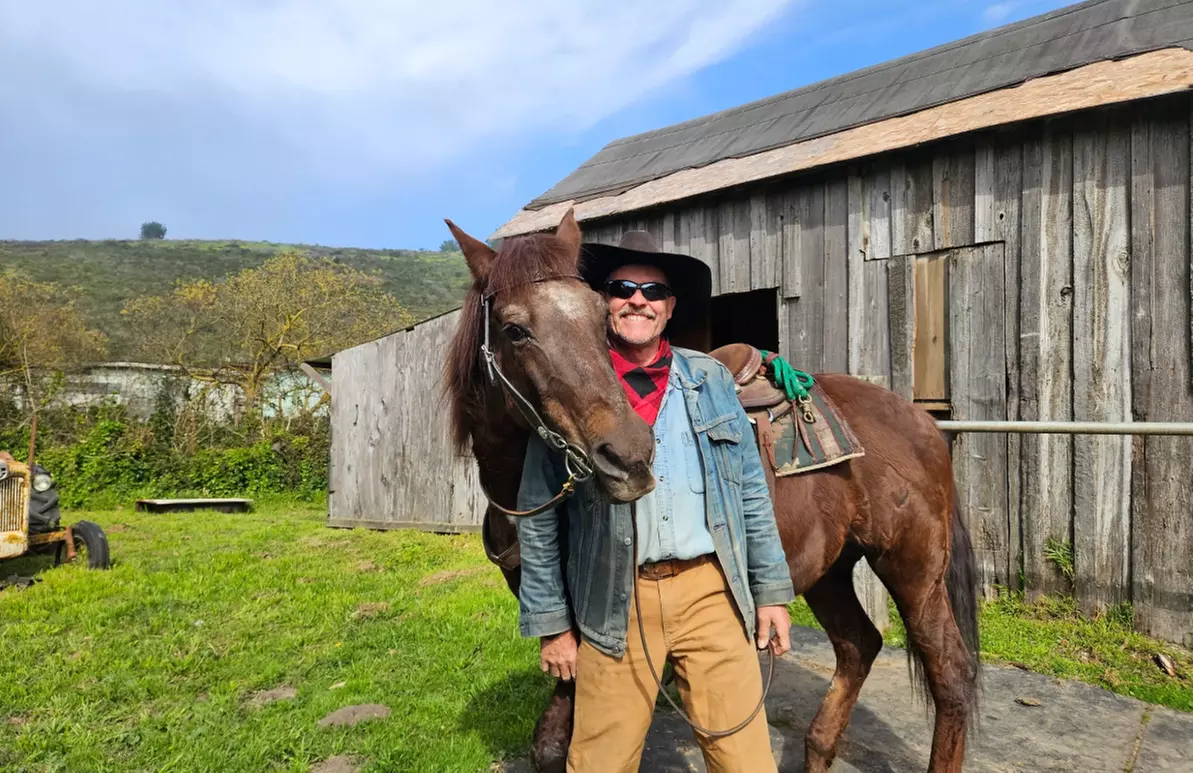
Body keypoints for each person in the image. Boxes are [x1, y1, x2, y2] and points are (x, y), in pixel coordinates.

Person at [514, 231, 796, 773]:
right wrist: (553, 624)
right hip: (617, 600)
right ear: (602, 304)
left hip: (711, 592)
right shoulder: (565, 390)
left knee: (746, 762)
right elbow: (539, 516)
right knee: (601, 762)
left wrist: (772, 594)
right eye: (622, 288)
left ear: (669, 308)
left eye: (652, 290)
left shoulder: (710, 380)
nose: (637, 299)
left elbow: (752, 496)